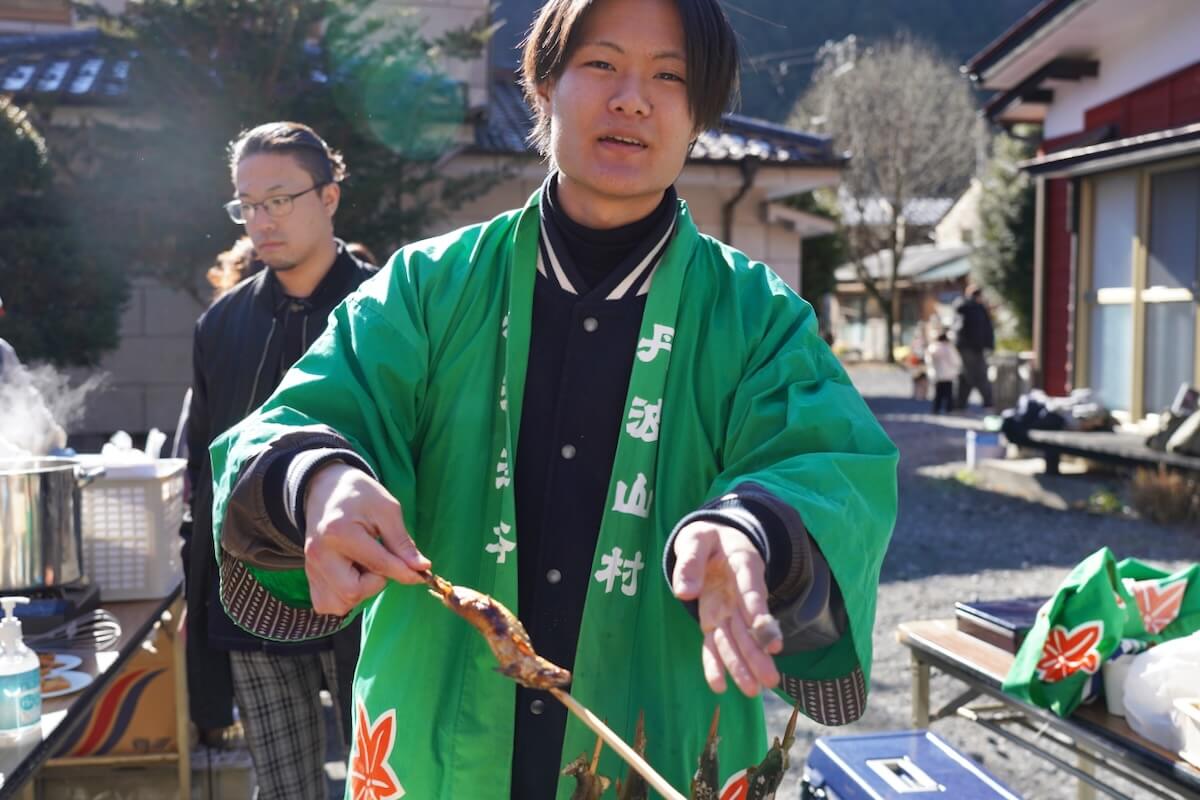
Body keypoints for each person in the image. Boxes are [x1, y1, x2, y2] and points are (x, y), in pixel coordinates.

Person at [207, 2, 898, 797]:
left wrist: (753, 529)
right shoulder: (426, 288)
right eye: (601, 64)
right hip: (436, 743)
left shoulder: (757, 319)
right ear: (542, 85)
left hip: (662, 735)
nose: (632, 99)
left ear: (700, 113)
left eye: (670, 77)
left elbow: (831, 465)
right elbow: (311, 413)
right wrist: (320, 480)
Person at [183, 121, 377, 800]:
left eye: (279, 200)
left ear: (329, 197)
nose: (261, 221)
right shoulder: (222, 323)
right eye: (247, 205)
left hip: (367, 590)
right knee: (283, 789)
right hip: (252, 594)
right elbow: (202, 474)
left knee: (384, 777)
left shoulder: (388, 306)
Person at [954, 285, 995, 410]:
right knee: (976, 374)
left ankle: (961, 404)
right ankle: (987, 402)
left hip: (973, 347)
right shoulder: (968, 307)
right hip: (970, 347)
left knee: (969, 375)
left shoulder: (976, 308)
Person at [925, 331, 962, 414]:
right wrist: (957, 369)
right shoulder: (949, 348)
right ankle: (949, 409)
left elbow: (928, 361)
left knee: (938, 394)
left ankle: (936, 409)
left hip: (937, 375)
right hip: (948, 375)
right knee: (949, 394)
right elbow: (956, 361)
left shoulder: (932, 348)